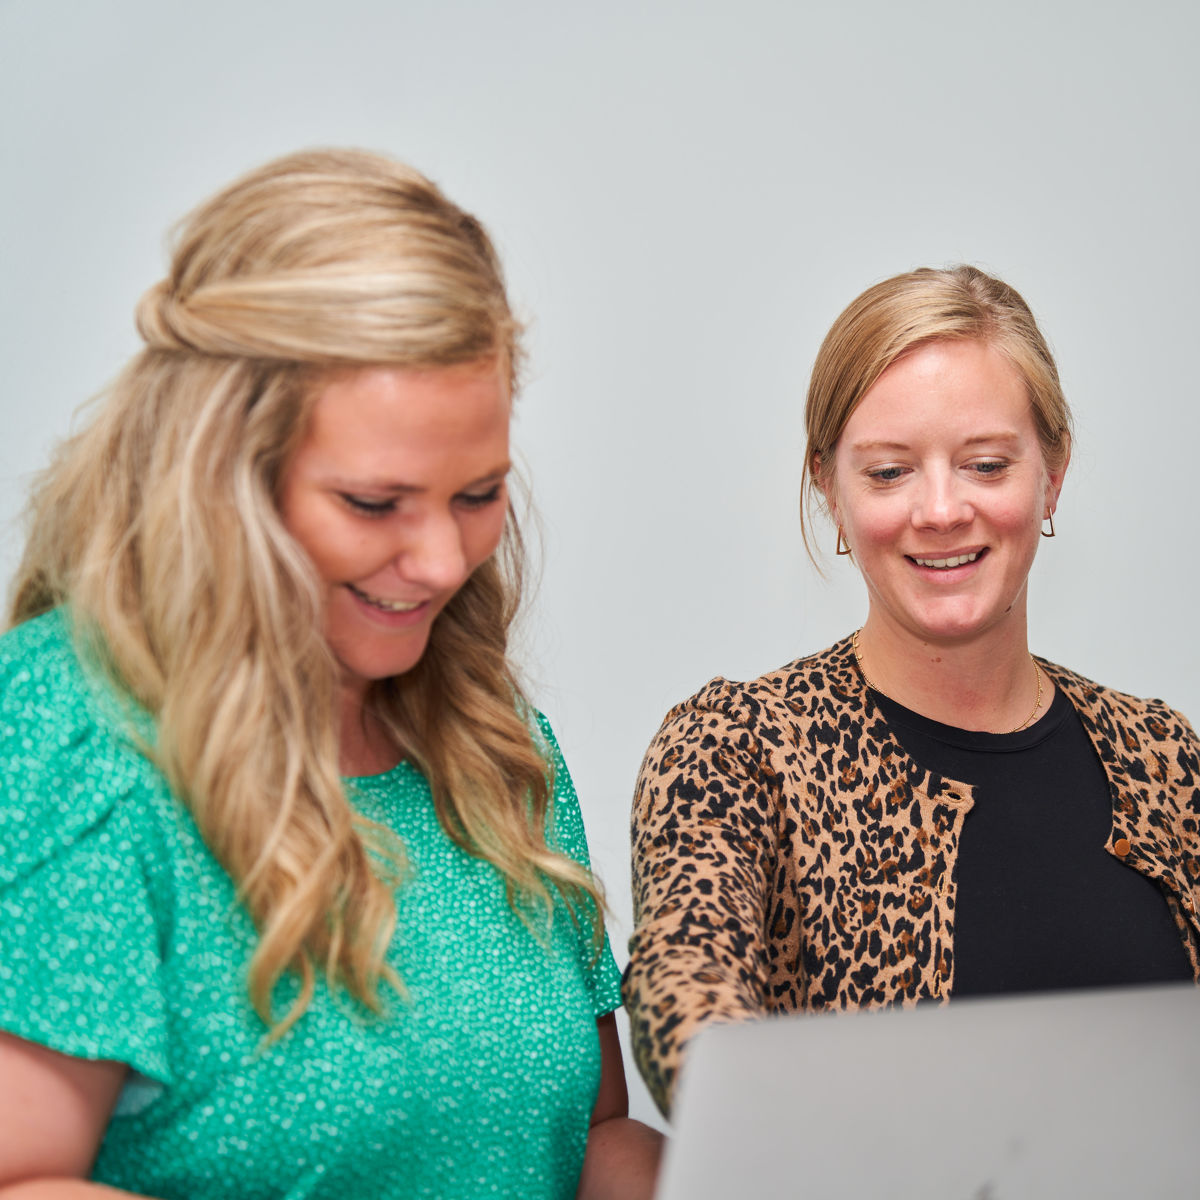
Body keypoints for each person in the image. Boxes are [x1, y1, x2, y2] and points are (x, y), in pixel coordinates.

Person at [0, 149, 661, 1198]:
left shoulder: (494, 745)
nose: (443, 562)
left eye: (477, 494)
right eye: (373, 504)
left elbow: (591, 1139)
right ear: (218, 478)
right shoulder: (68, 734)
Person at [623, 264, 1200, 1116]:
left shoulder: (1166, 758)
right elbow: (685, 994)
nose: (940, 509)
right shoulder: (739, 749)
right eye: (890, 472)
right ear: (830, 486)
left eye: (986, 464)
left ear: (1054, 471)